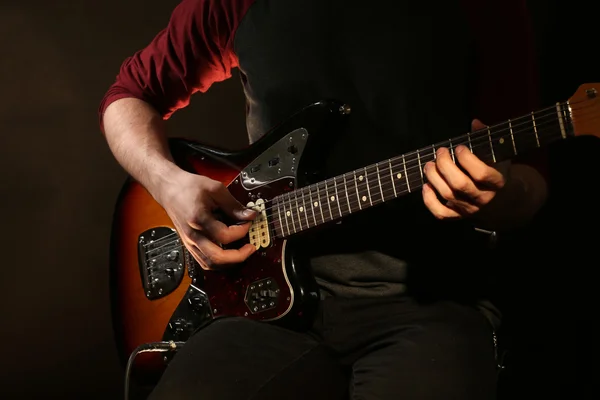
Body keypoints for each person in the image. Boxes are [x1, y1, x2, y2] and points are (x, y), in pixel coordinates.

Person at [98, 0, 549, 398]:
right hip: (262, 302)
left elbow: (533, 181)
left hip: (432, 303)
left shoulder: (486, 6)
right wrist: (168, 184)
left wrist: (495, 197)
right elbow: (128, 97)